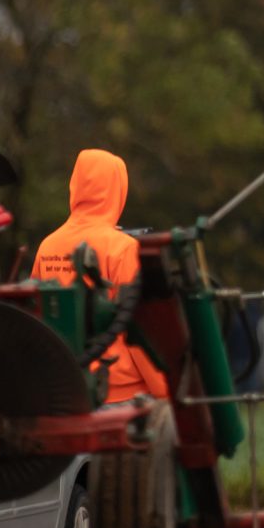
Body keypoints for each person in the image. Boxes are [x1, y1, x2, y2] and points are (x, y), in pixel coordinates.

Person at [32, 148, 165, 402]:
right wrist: (163, 389)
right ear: (118, 190)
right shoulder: (123, 248)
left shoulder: (47, 246)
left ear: (75, 186)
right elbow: (139, 327)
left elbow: (36, 317)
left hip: (64, 389)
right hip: (121, 395)